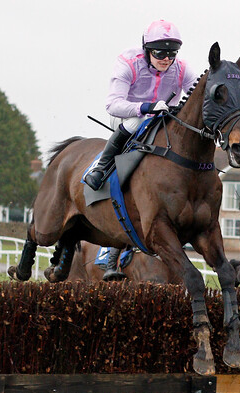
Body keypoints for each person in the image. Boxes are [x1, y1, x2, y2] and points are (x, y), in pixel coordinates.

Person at [83, 19, 197, 280]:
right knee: (135, 122)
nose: (166, 59)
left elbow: (195, 95)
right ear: (147, 49)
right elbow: (113, 104)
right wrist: (146, 108)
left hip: (163, 119)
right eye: (159, 53)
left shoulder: (182, 69)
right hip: (127, 116)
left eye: (171, 53)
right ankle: (101, 169)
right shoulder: (127, 62)